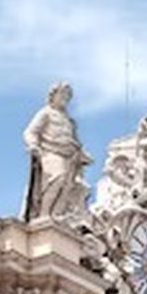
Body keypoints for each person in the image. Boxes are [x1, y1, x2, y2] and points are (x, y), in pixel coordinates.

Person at [21, 82, 92, 221]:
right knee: (56, 178)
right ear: (53, 95)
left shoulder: (70, 121)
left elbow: (76, 142)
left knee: (66, 186)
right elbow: (30, 132)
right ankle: (44, 215)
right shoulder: (45, 113)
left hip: (70, 157)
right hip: (51, 152)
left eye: (68, 96)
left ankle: (57, 216)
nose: (65, 98)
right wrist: (33, 145)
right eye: (63, 94)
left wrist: (83, 155)